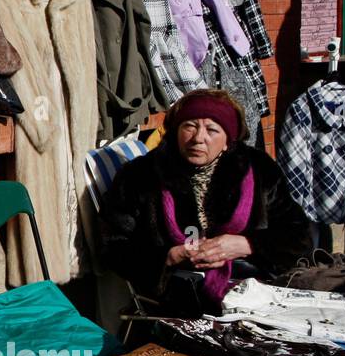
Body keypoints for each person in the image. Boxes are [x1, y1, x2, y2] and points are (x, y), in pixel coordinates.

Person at [99, 88, 312, 308]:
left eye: (211, 130)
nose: (199, 138)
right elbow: (113, 246)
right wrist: (168, 257)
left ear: (228, 141)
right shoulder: (140, 176)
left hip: (255, 293)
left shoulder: (257, 169)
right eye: (189, 126)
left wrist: (247, 244)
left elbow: (299, 237)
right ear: (175, 131)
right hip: (176, 297)